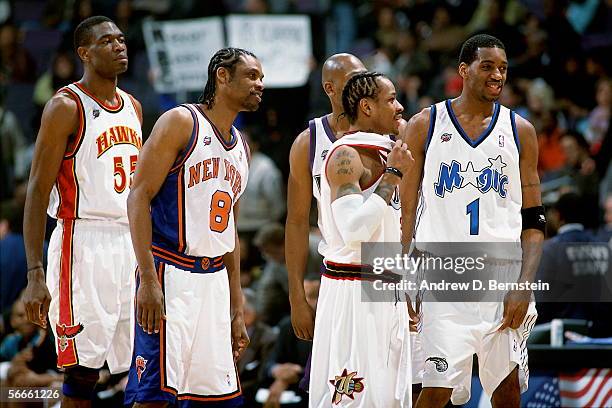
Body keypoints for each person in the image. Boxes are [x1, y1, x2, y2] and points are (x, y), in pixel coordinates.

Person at [401, 34, 544, 408]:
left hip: (502, 277)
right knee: (434, 392)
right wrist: (404, 278)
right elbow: (405, 212)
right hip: (444, 279)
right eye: (488, 66)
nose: (498, 75)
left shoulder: (520, 131)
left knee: (507, 393)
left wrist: (524, 285)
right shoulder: (424, 125)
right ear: (463, 70)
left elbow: (534, 219)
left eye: (503, 68)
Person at [124, 47, 263, 407]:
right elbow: (138, 197)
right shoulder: (181, 122)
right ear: (222, 75)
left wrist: (236, 304)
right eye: (251, 75)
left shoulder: (242, 149)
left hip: (214, 281)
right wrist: (148, 280)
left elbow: (227, 230)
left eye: (261, 77)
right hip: (170, 272)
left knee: (214, 399)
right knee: (152, 397)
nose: (260, 84)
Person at [22, 16, 142, 406]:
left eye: (121, 40)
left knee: (140, 366)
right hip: (82, 241)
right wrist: (35, 273)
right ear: (84, 53)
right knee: (82, 371)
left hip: (129, 242)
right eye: (107, 41)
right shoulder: (65, 106)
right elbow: (38, 191)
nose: (119, 46)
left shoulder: (135, 108)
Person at [309, 71, 414, 407]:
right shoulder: (345, 156)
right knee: (352, 399)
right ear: (367, 107)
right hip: (352, 290)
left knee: (390, 399)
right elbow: (355, 230)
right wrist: (393, 175)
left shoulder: (389, 151)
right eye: (391, 100)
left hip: (385, 285)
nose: (399, 108)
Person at [286, 53, 366, 342]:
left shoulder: (389, 133)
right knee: (340, 378)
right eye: (352, 81)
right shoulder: (308, 142)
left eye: (364, 78)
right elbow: (295, 222)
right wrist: (297, 297)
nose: (361, 87)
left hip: (385, 267)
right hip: (338, 266)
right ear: (330, 89)